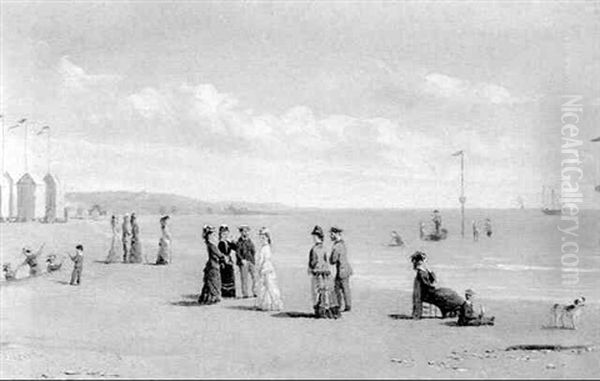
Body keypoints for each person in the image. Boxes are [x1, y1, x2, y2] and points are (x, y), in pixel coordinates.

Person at [411, 251, 464, 319]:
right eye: (424, 260)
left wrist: (430, 271)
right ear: (420, 261)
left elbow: (433, 280)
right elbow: (428, 284)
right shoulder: (421, 272)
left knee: (449, 293)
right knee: (447, 294)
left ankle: (451, 311)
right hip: (427, 293)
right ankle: (453, 310)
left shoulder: (423, 271)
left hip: (429, 291)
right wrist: (434, 284)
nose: (425, 262)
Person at [308, 225, 339, 318]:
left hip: (318, 272)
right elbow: (326, 260)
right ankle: (330, 310)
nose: (313, 238)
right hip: (326, 272)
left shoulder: (314, 249)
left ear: (316, 237)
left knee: (317, 292)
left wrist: (310, 268)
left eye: (314, 237)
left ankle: (321, 311)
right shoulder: (324, 248)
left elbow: (313, 262)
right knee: (327, 291)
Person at [255, 227, 283, 311]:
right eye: (261, 238)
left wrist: (260, 267)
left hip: (266, 267)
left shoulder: (265, 248)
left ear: (267, 238)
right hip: (266, 267)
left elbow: (263, 260)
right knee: (265, 285)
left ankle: (271, 303)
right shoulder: (265, 248)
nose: (262, 239)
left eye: (263, 238)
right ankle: (267, 303)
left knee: (268, 285)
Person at [198, 225, 227, 305]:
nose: (215, 236)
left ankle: (207, 298)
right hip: (213, 265)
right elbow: (219, 255)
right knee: (214, 282)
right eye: (213, 235)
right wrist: (224, 258)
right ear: (209, 236)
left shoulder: (210, 244)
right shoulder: (212, 245)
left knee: (210, 282)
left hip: (212, 265)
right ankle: (212, 298)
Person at [329, 226, 353, 312]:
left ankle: (338, 305)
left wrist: (330, 258)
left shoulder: (337, 246)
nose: (330, 236)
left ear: (336, 234)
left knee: (337, 288)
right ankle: (348, 305)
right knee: (345, 288)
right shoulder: (342, 244)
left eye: (332, 234)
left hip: (341, 271)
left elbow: (333, 260)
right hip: (346, 269)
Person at [236, 225, 257, 298]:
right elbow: (238, 253)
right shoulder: (239, 242)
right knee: (244, 278)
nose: (245, 233)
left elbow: (253, 250)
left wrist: (251, 258)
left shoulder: (249, 241)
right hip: (243, 262)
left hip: (251, 261)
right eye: (244, 231)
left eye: (246, 231)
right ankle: (245, 294)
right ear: (241, 232)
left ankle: (255, 292)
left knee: (255, 277)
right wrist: (242, 259)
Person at [218, 224, 237, 298]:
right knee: (225, 277)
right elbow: (220, 254)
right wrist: (223, 261)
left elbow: (235, 248)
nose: (225, 235)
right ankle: (225, 294)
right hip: (224, 262)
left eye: (226, 234)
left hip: (229, 261)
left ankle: (231, 294)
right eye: (223, 234)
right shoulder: (220, 243)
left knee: (230, 276)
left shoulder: (228, 242)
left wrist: (233, 242)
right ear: (220, 234)